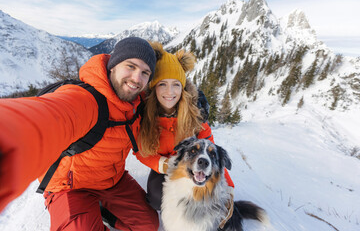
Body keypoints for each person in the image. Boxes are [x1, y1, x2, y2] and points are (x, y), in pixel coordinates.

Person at [0, 37, 159, 231]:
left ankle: (102, 212)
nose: (137, 78)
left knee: (149, 225)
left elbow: (170, 107)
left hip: (111, 180)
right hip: (70, 188)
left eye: (145, 73)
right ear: (113, 66)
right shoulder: (85, 101)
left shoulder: (138, 104)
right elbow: (43, 117)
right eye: (131, 66)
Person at [135, 42, 234, 211]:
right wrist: (163, 164)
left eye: (176, 84)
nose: (170, 92)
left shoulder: (196, 113)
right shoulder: (144, 114)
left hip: (193, 165)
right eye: (162, 84)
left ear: (183, 87)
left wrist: (228, 188)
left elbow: (211, 151)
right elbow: (140, 150)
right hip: (163, 166)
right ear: (154, 88)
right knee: (157, 198)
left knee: (202, 197)